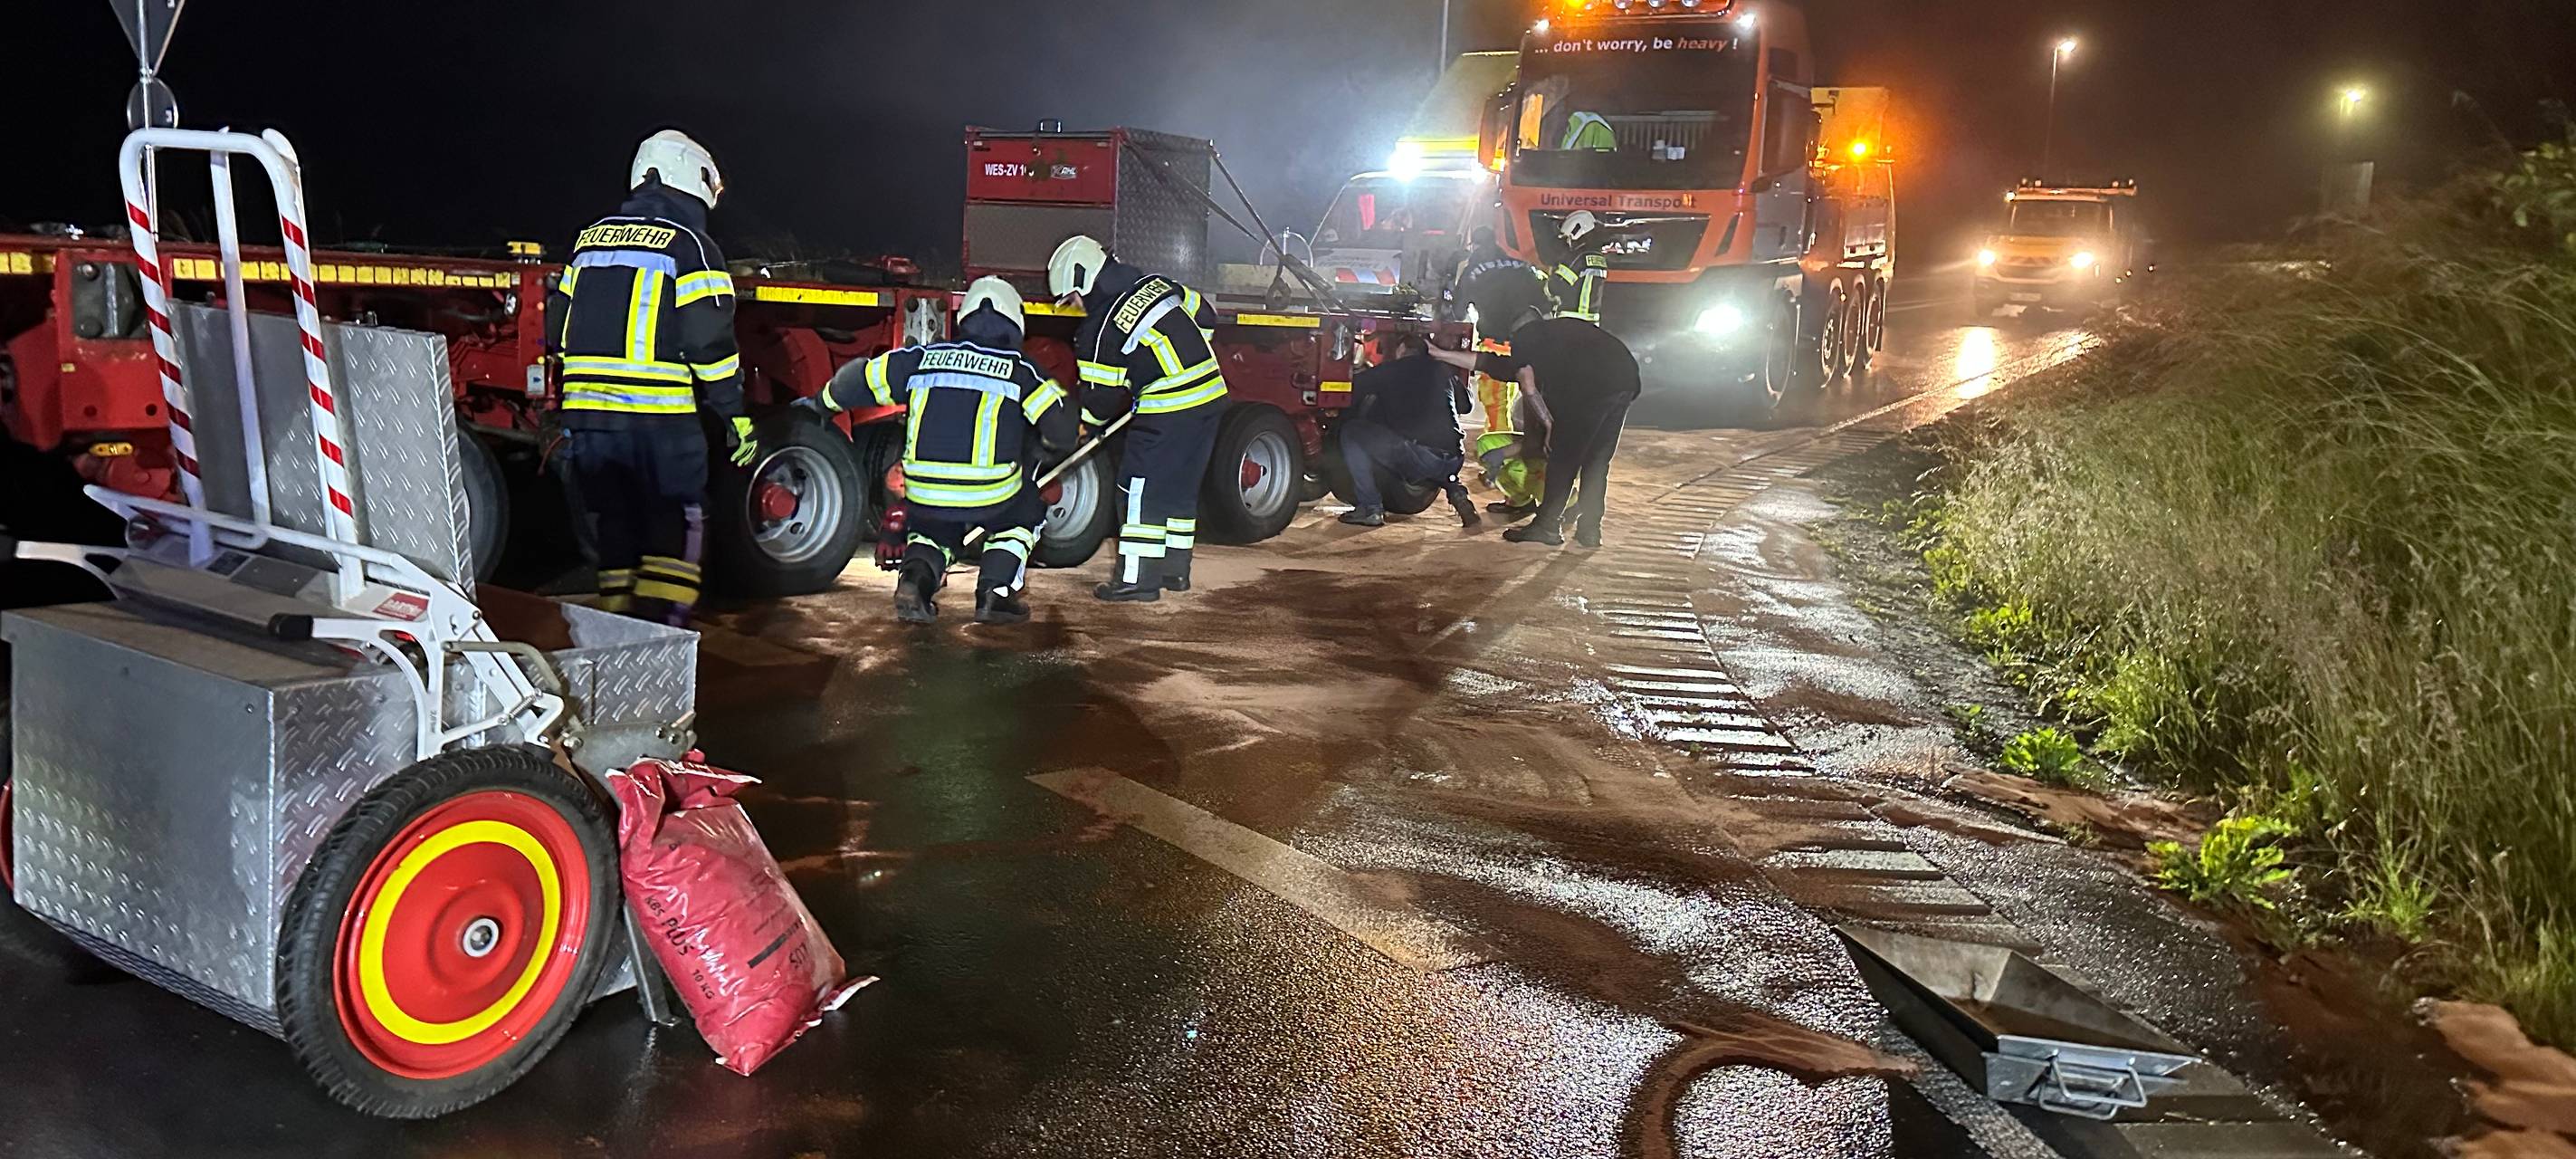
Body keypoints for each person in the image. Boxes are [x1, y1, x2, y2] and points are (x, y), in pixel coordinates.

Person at [548, 129, 754, 627]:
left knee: (614, 517)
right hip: (658, 419)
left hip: (590, 417)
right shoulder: (691, 246)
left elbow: (557, 328)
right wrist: (735, 415)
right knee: (676, 517)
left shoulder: (588, 240)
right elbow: (708, 343)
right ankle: (663, 628)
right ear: (693, 176)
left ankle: (619, 622)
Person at [799, 278, 1076, 625]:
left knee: (931, 529)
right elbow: (1061, 426)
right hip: (991, 492)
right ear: (1015, 321)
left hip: (925, 489)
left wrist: (820, 404)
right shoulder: (1020, 369)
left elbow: (858, 380)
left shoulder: (923, 358)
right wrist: (1045, 450)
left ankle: (915, 583)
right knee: (1024, 514)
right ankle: (995, 593)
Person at [1048, 235, 1230, 602]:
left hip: (1169, 407)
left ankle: (1137, 579)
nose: (1076, 307)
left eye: (1073, 298)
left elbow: (1099, 403)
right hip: (1211, 396)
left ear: (1083, 281)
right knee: (1178, 489)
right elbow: (1205, 315)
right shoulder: (1157, 284)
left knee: (1138, 490)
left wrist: (1081, 429)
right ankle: (1174, 572)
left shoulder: (1100, 329)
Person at [1429, 311, 1640, 549]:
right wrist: (1441, 354)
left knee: (1563, 460)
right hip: (1625, 379)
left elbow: (1527, 386)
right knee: (1597, 461)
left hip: (1591, 388)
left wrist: (1549, 425)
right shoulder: (1556, 339)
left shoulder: (1526, 339)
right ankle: (1590, 530)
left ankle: (1547, 526)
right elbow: (1493, 364)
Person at [1333, 333, 1478, 529]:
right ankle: (1457, 492)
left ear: (1401, 349)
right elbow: (1466, 405)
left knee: (1352, 432)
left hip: (1418, 456)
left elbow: (1350, 391)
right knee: (1436, 456)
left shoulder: (1389, 370)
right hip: (1454, 458)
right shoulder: (1442, 369)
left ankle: (1370, 508)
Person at [1548, 210, 1612, 325]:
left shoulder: (1576, 257)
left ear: (1576, 233)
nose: (1568, 242)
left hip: (1570, 320)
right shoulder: (1600, 258)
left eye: (1568, 238)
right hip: (1592, 321)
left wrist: (1546, 278)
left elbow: (1555, 287)